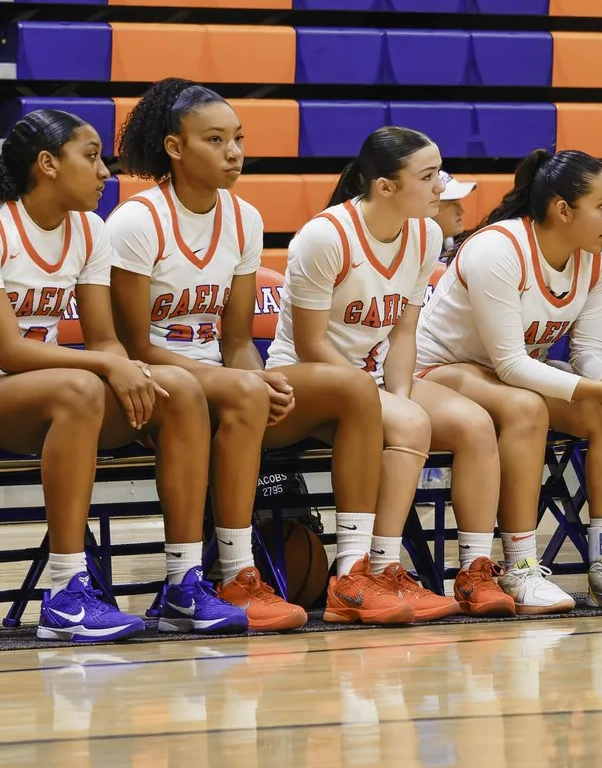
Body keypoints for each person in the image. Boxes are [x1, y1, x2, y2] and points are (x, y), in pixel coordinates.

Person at [111, 79, 412, 628]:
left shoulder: (243, 218)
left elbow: (237, 341)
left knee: (353, 388)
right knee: (247, 388)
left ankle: (352, 573)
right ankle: (236, 574)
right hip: (155, 386)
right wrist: (236, 382)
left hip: (227, 387)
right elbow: (135, 345)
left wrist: (262, 380)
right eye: (215, 140)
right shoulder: (137, 221)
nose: (233, 152)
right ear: (175, 148)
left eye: (238, 139)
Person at [0, 107, 230, 644]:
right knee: (82, 385)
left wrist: (126, 368)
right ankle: (66, 594)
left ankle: (184, 583)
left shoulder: (89, 230)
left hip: (56, 392)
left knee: (180, 388)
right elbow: (9, 351)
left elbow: (104, 339)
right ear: (47, 164)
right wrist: (110, 366)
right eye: (90, 158)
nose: (105, 173)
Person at [271, 127, 509, 619]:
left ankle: (475, 573)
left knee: (475, 424)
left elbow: (404, 335)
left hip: (373, 380)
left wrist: (399, 393)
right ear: (385, 186)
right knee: (409, 422)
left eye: (438, 174)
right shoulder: (325, 236)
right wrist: (393, 404)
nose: (439, 188)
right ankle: (371, 572)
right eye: (428, 177)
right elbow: (310, 344)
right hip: (305, 380)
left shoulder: (425, 233)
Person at [415, 147, 602, 614]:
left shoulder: (598, 257)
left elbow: (589, 353)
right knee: (527, 406)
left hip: (515, 373)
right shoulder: (497, 248)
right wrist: (599, 386)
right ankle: (520, 569)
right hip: (438, 370)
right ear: (562, 209)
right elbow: (510, 365)